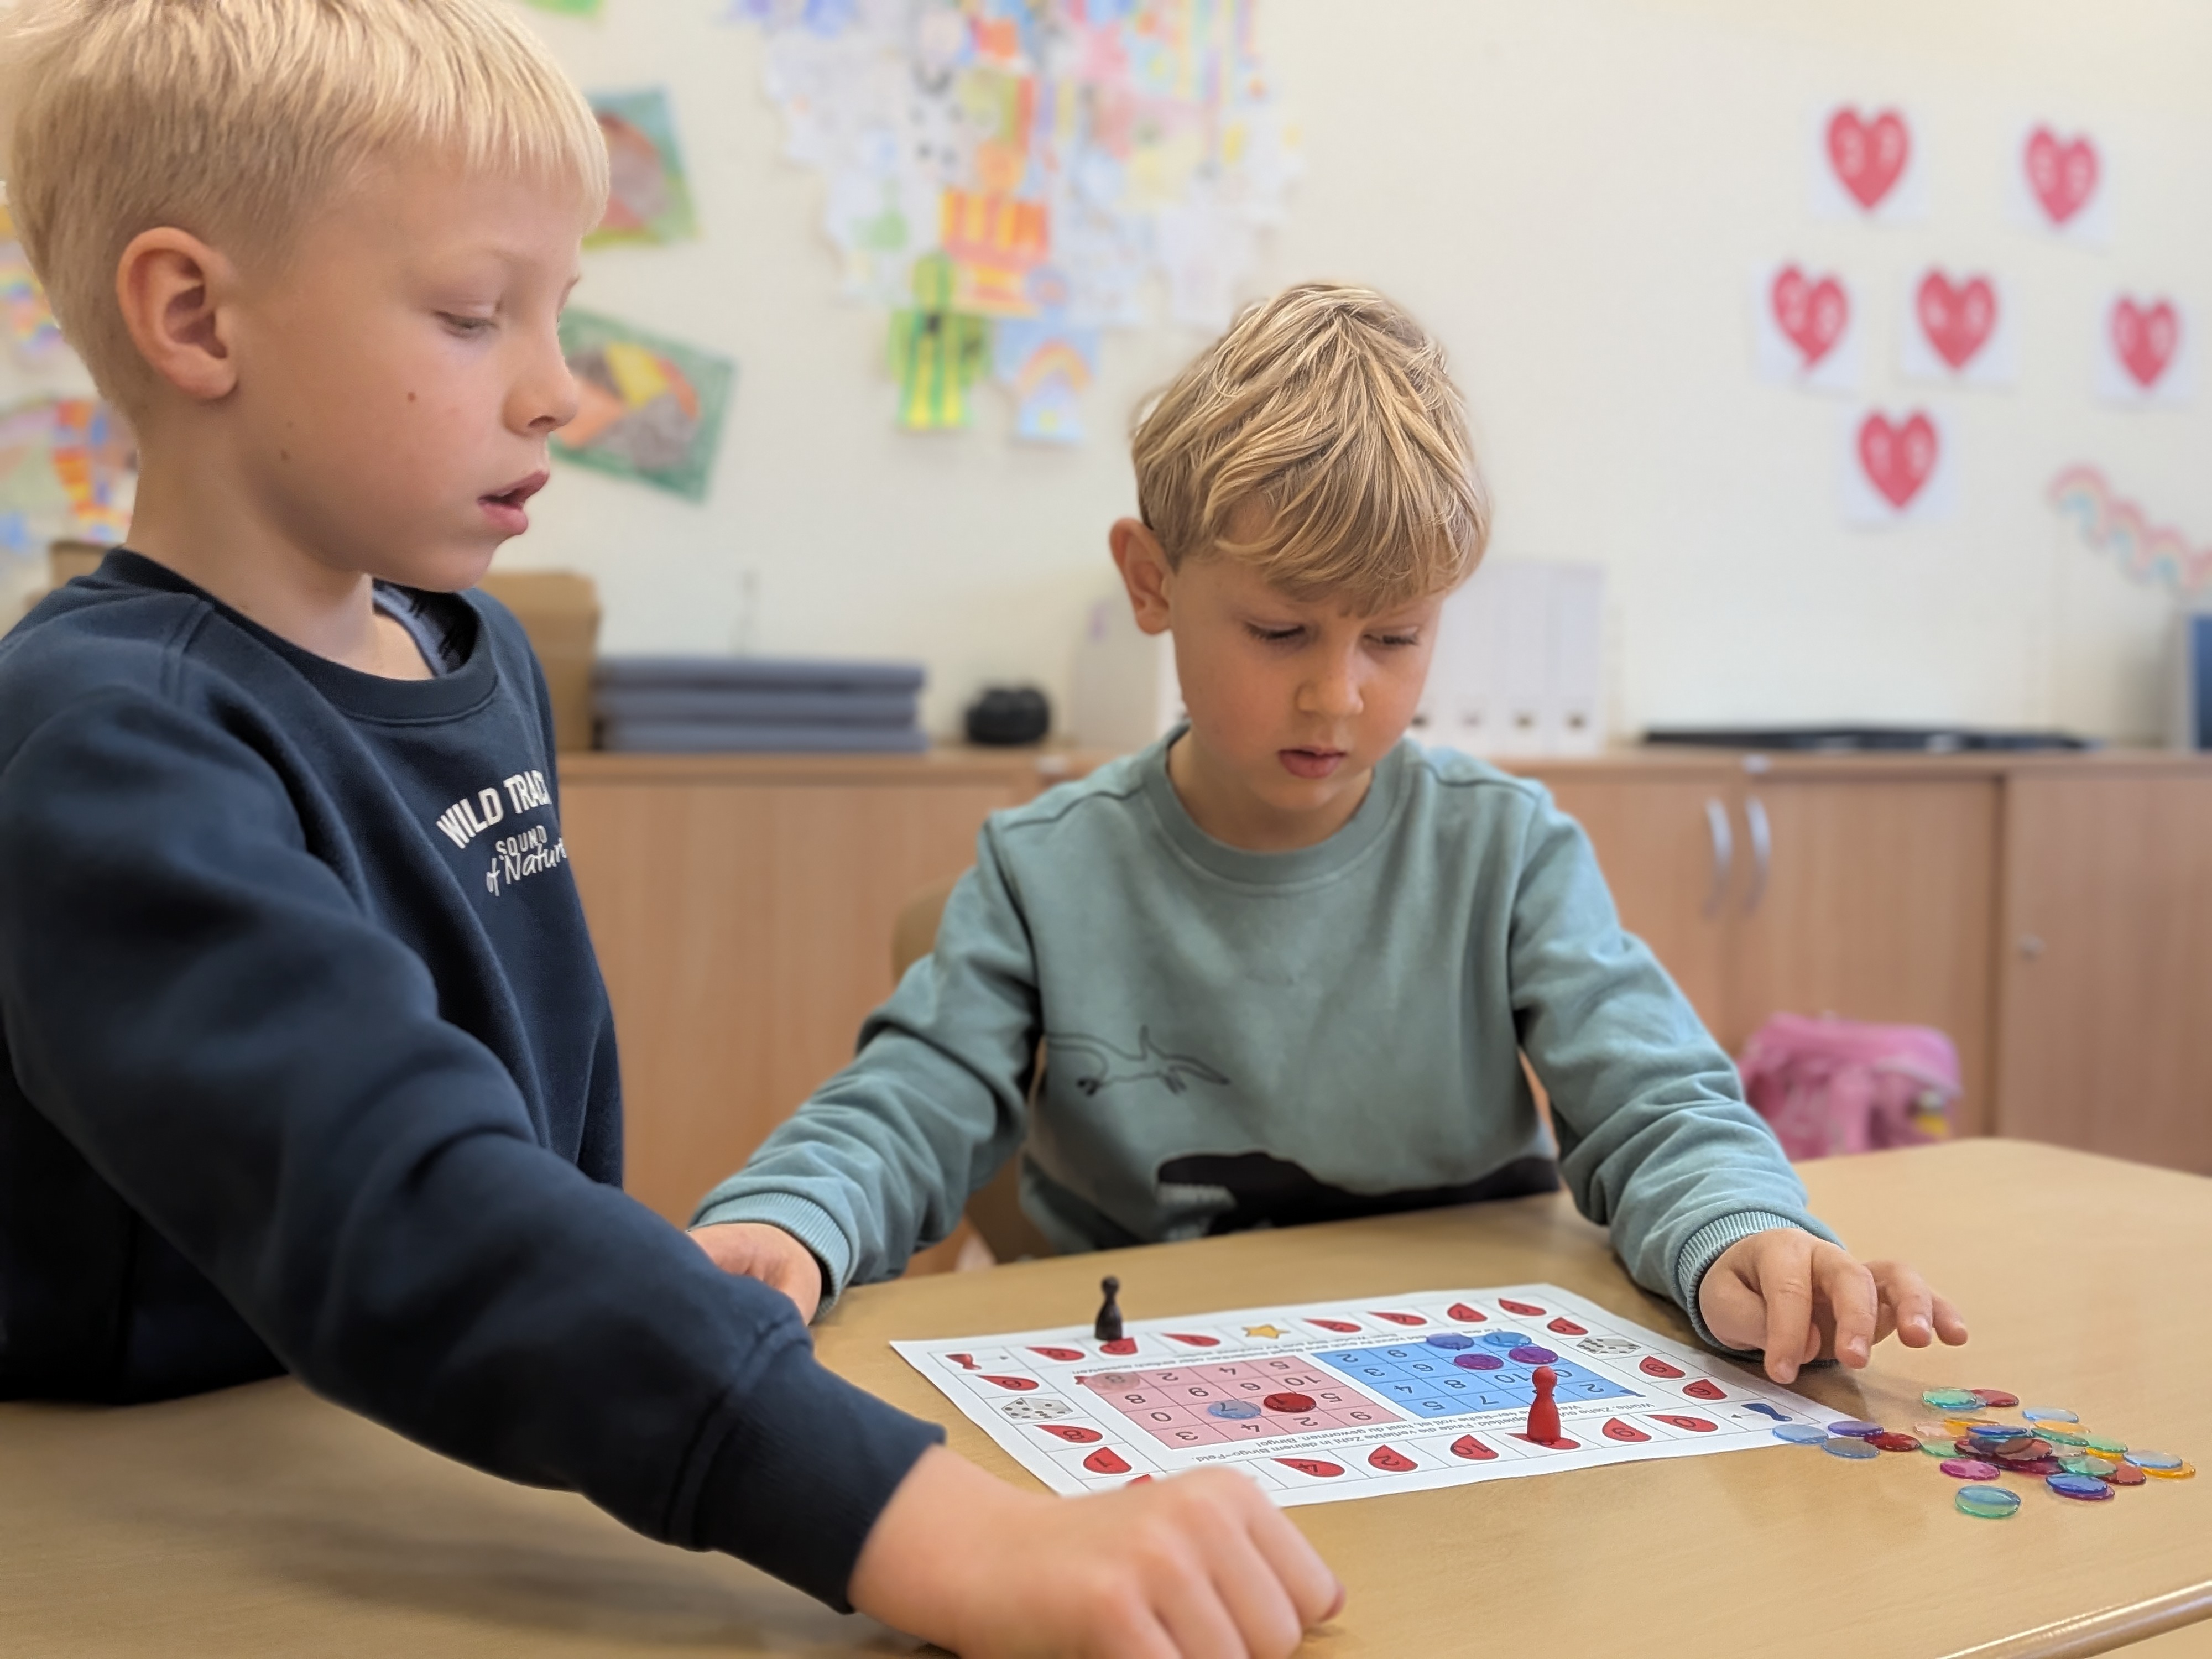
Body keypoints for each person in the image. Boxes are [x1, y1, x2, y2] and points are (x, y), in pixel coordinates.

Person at [0, 3, 1339, 1652]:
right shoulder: (102, 742)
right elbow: (403, 1196)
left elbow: (525, 1177)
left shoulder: (468, 651)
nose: (558, 391)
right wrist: (939, 1532)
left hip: (474, 1444)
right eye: (475, 314)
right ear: (196, 315)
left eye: (560, 312)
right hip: (157, 1520)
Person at [695, 282, 1972, 1387]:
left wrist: (1737, 1231)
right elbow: (910, 1104)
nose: (1336, 694)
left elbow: (1651, 1097)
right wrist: (791, 1219)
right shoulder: (1043, 871)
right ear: (1150, 580)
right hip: (1154, 1376)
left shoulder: (1506, 851)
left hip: (1464, 1364)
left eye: (1394, 637)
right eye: (1279, 631)